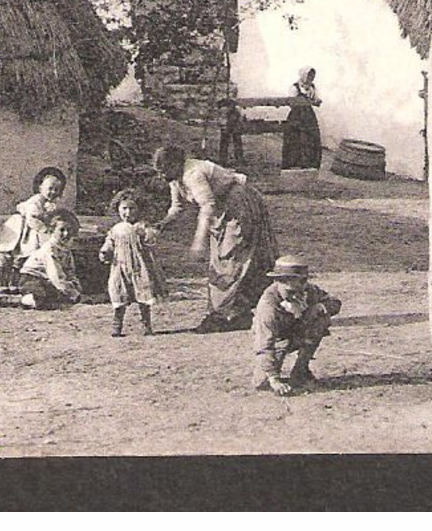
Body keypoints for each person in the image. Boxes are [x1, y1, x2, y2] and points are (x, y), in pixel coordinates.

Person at [153, 145, 279, 332]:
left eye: (164, 170)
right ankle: (237, 312)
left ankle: (224, 315)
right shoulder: (175, 179)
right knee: (223, 259)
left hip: (239, 205)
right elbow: (177, 207)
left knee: (232, 258)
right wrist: (160, 225)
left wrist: (199, 241)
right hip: (223, 209)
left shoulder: (193, 174)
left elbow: (207, 206)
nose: (162, 176)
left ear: (175, 164)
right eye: (159, 172)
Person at [251, 255, 342, 395]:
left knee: (321, 321)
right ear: (279, 281)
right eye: (290, 291)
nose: (296, 294)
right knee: (262, 383)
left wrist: (318, 307)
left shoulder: (309, 290)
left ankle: (300, 370)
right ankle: (272, 374)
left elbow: (335, 303)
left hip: (301, 332)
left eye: (301, 284)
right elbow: (264, 346)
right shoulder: (268, 306)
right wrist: (274, 379)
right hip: (277, 341)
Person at [100, 188, 166, 337]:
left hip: (139, 267)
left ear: (139, 209)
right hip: (120, 267)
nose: (128, 213)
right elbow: (109, 243)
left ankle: (146, 325)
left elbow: (152, 240)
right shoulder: (116, 229)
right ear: (118, 208)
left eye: (132, 208)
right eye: (124, 208)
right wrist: (105, 252)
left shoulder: (142, 226)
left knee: (143, 295)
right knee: (119, 294)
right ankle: (117, 326)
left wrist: (146, 234)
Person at [0, 166, 68, 290]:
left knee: (24, 255)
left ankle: (14, 281)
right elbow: (33, 219)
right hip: (19, 226)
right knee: (8, 251)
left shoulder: (51, 203)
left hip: (31, 229)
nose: (52, 192)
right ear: (41, 188)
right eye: (50, 189)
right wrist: (46, 230)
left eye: (56, 190)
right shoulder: (35, 201)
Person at [0, 211, 82, 310]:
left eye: (69, 230)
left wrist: (75, 286)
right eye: (61, 230)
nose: (66, 234)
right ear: (51, 231)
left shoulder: (65, 249)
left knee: (58, 296)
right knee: (40, 299)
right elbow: (55, 275)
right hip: (31, 278)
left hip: (49, 280)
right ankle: (14, 300)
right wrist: (72, 293)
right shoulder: (49, 250)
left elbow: (70, 270)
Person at [281, 67, 323, 170]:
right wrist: (303, 102)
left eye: (312, 76)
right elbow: (292, 102)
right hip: (297, 115)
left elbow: (316, 100)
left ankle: (309, 163)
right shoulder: (295, 87)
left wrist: (316, 101)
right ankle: (293, 162)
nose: (310, 78)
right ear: (303, 75)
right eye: (308, 75)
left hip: (308, 116)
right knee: (295, 138)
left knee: (311, 137)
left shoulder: (312, 87)